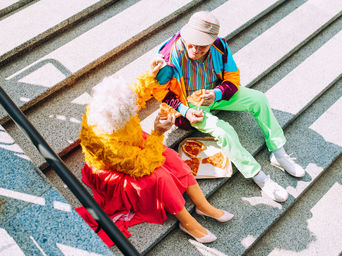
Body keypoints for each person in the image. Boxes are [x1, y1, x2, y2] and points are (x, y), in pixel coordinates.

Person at [151, 11, 306, 203]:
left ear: (212, 41)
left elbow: (233, 78)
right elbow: (159, 91)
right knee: (224, 132)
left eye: (202, 45)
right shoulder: (169, 55)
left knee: (259, 99)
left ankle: (278, 151)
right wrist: (185, 111)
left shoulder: (220, 46)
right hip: (189, 104)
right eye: (192, 43)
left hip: (216, 93)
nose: (196, 49)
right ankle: (259, 176)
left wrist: (216, 94)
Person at [78, 64, 233, 244]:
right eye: (130, 113)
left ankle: (203, 205)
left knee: (173, 157)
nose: (135, 109)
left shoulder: (107, 108)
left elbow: (134, 95)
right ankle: (186, 222)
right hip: (117, 169)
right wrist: (158, 133)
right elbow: (142, 166)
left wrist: (150, 75)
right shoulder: (106, 144)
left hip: (132, 145)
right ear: (120, 119)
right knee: (160, 177)